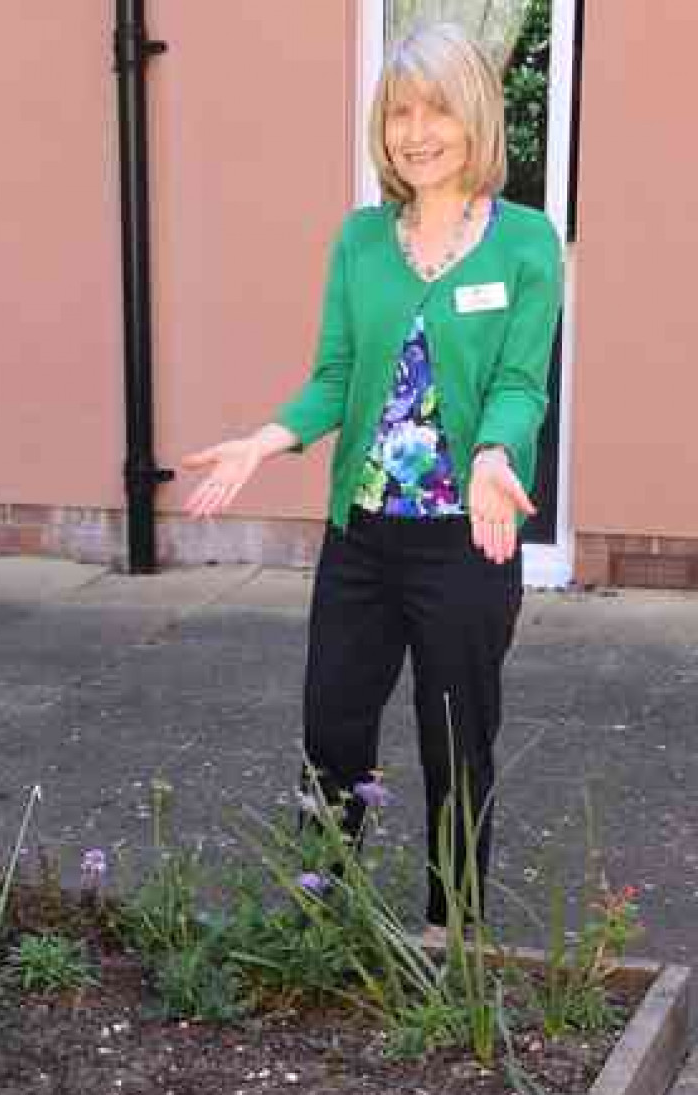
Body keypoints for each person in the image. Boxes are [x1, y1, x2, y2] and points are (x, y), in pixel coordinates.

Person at [183, 21, 563, 946]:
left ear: (474, 118)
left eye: (436, 108)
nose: (416, 130)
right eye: (399, 111)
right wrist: (264, 442)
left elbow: (520, 383)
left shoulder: (524, 244)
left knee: (455, 744)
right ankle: (324, 915)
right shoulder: (360, 242)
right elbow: (335, 374)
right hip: (362, 541)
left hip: (466, 544)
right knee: (332, 732)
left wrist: (493, 455)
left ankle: (453, 935)